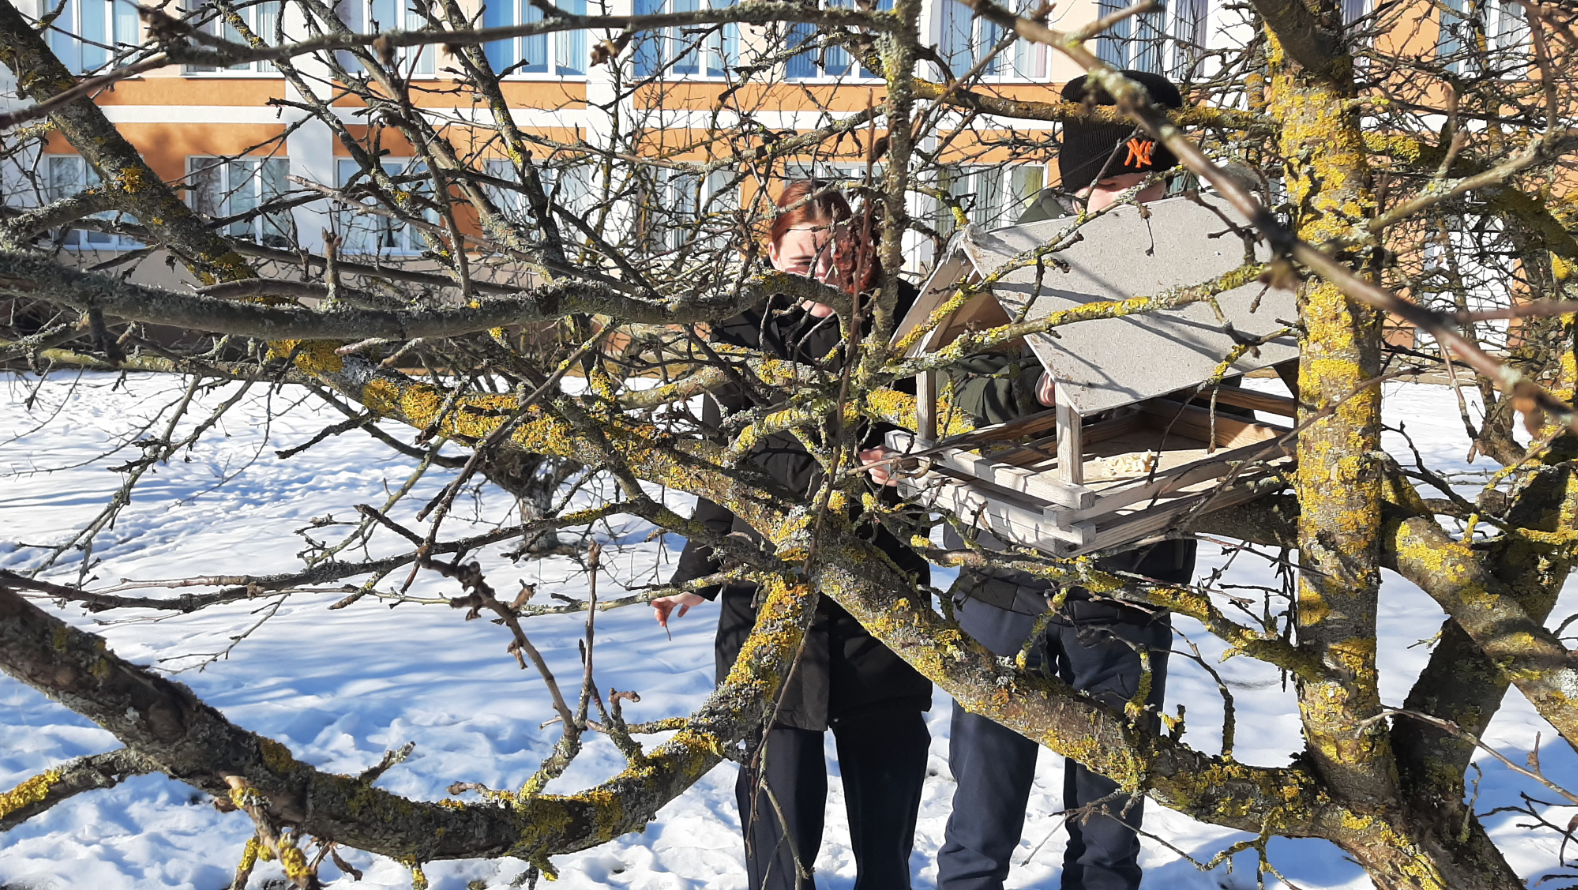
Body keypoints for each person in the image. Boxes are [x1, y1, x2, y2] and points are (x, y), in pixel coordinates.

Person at [935, 71, 1195, 890]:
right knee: (983, 811)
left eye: (1152, 185)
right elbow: (955, 383)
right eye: (1119, 186)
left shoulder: (1200, 257)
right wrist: (1031, 389)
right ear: (1079, 184)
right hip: (1006, 565)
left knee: (1110, 819)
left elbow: (1228, 393)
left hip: (1129, 569)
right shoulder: (1007, 259)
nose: (1138, 203)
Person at [651, 180, 933, 890]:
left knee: (887, 836)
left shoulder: (904, 326)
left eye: (842, 258)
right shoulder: (742, 338)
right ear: (771, 256)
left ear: (866, 253)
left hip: (881, 600)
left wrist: (905, 466)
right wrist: (697, 573)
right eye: (805, 261)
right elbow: (727, 466)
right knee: (779, 830)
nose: (824, 277)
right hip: (771, 607)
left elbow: (942, 440)